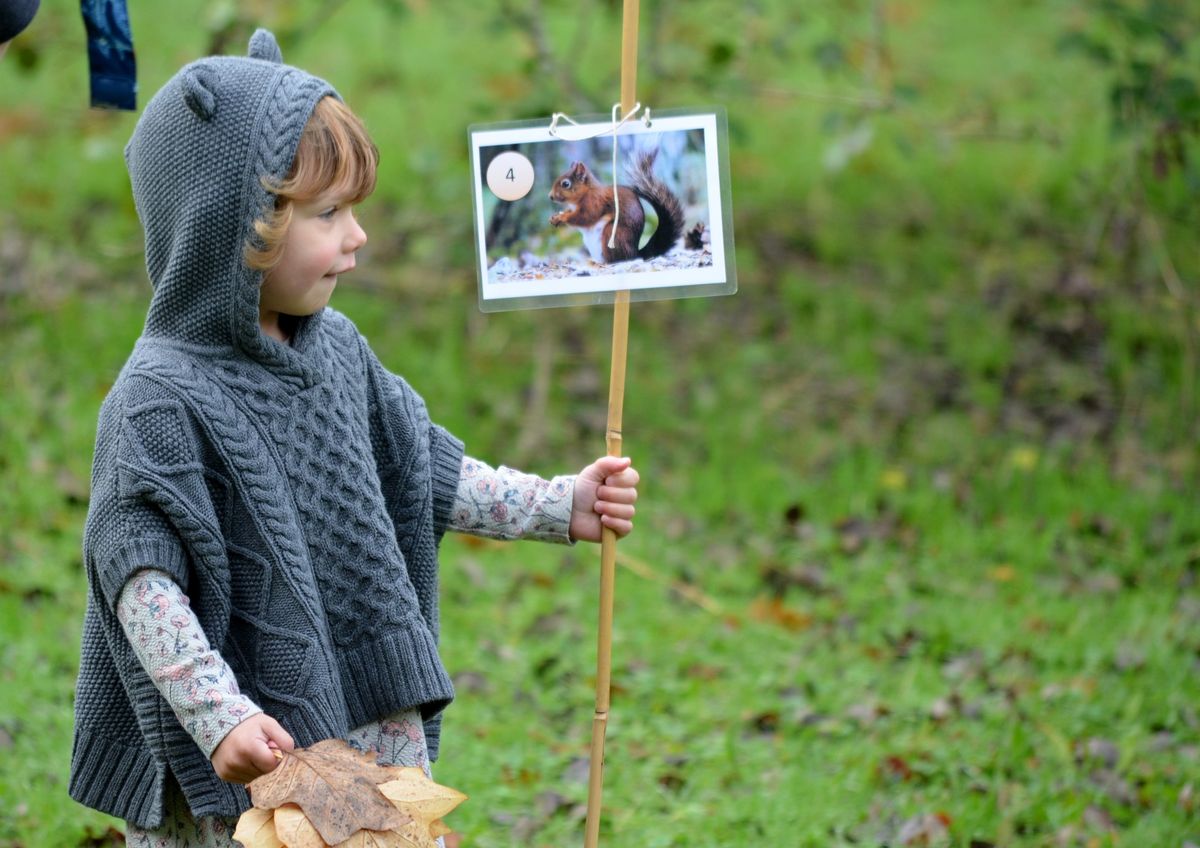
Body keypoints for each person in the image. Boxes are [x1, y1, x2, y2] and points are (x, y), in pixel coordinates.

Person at [69, 30, 640, 846]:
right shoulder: (158, 400)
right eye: (328, 213)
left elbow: (426, 470)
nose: (357, 236)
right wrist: (218, 715)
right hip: (240, 745)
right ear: (235, 227)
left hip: (364, 706)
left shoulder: (337, 349)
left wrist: (562, 504)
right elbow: (142, 585)